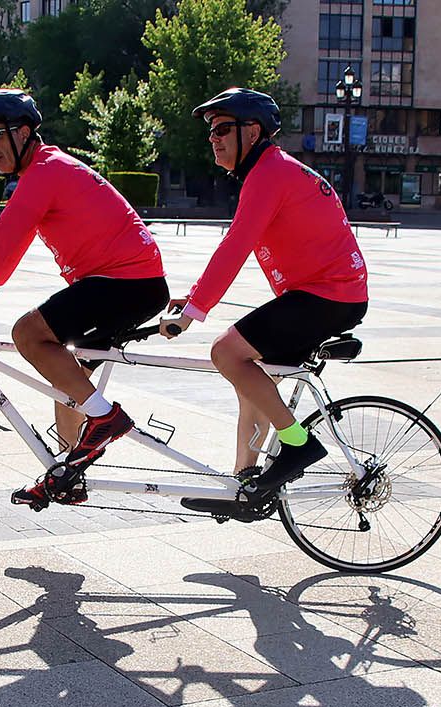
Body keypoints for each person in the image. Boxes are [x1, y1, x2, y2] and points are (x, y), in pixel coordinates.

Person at [0, 89, 168, 508]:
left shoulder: (45, 173)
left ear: (25, 132)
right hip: (127, 283)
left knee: (29, 334)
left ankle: (106, 419)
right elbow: (7, 256)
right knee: (68, 380)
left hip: (125, 283)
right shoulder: (46, 172)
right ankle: (69, 474)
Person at [158, 88, 368, 513]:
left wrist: (194, 313)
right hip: (328, 294)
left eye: (221, 129)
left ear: (251, 132)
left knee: (226, 353)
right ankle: (246, 489)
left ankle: (297, 445)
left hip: (327, 296)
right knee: (252, 384)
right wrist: (195, 298)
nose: (212, 139)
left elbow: (236, 245)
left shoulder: (269, 174)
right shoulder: (274, 171)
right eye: (210, 132)